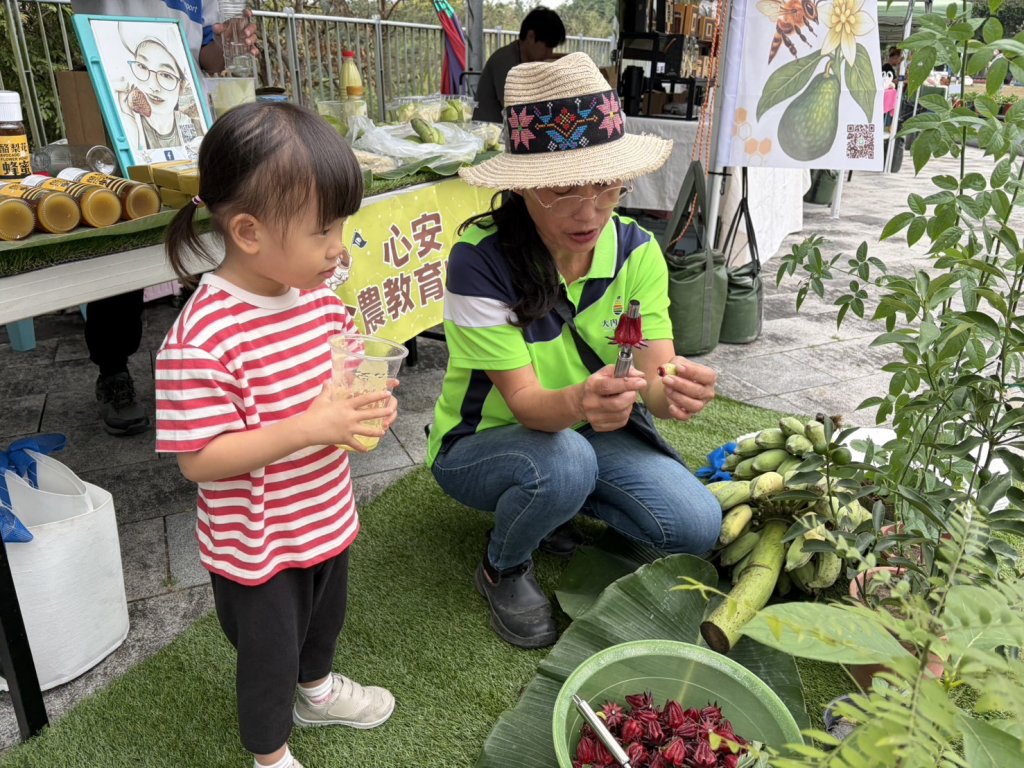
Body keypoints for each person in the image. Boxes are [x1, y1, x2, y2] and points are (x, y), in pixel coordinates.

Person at [428, 53, 722, 650]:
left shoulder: (637, 251)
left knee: (696, 524)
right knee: (564, 463)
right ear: (524, 185)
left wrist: (678, 389)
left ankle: (556, 511)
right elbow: (530, 406)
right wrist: (588, 402)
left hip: (588, 434)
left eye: (606, 185)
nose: (589, 210)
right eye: (562, 189)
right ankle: (502, 566)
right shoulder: (480, 261)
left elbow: (656, 379)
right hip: (484, 443)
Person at [155, 102, 397, 768]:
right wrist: (311, 426)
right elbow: (199, 461)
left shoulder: (316, 296)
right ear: (249, 232)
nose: (338, 247)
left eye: (341, 226)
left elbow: (338, 370)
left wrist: (362, 401)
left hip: (323, 514)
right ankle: (270, 753)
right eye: (324, 231)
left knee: (323, 621)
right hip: (256, 543)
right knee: (268, 656)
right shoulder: (203, 337)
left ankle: (316, 690)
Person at [69, 0, 257, 436]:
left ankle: (221, 365)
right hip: (108, 106)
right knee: (120, 239)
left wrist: (231, 38)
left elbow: (208, 54)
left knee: (218, 232)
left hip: (188, 124)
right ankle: (113, 371)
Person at [472, 6, 566, 123]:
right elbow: (518, 112)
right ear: (531, 36)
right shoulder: (505, 62)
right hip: (489, 135)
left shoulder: (523, 57)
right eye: (548, 46)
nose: (549, 53)